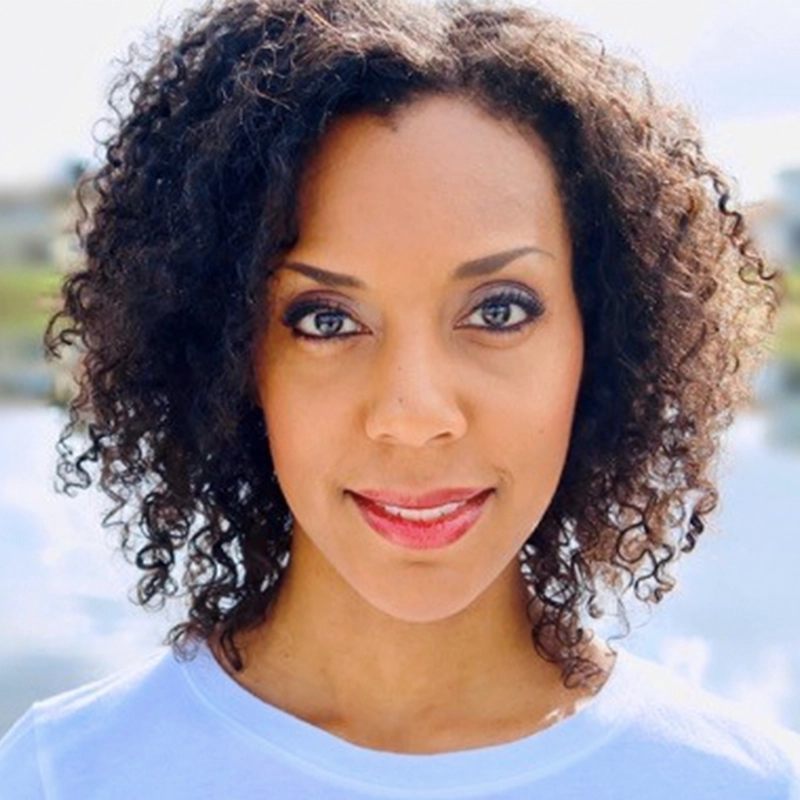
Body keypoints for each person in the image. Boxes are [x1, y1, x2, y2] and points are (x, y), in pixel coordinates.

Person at [1, 0, 798, 797]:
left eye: (498, 310)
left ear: (608, 338)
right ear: (227, 357)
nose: (414, 416)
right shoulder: (65, 775)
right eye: (326, 319)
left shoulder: (746, 783)